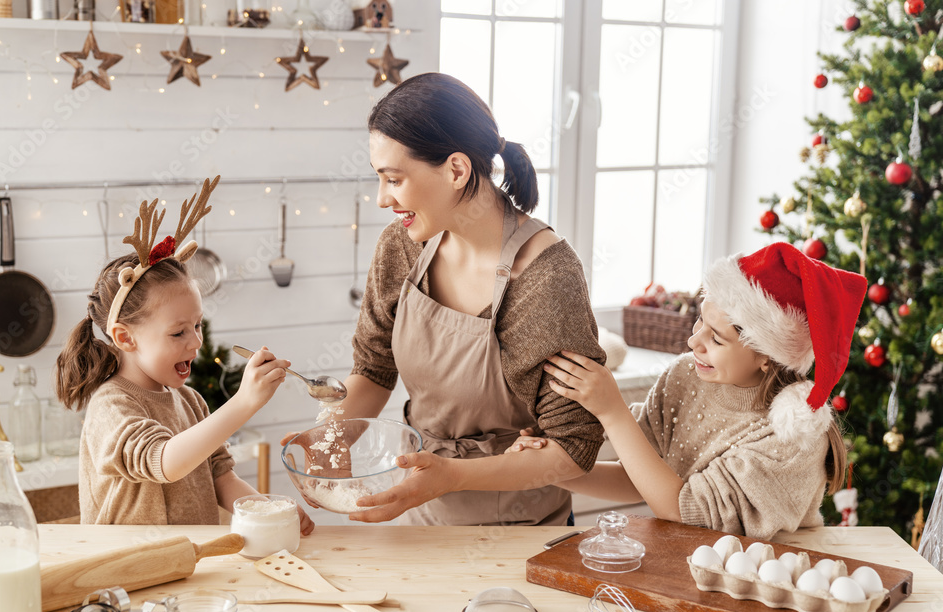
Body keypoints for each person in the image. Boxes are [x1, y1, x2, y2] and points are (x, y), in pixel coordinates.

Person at [319, 72, 606, 526]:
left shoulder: (545, 277)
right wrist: (325, 443)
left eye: (394, 179)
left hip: (522, 532)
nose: (381, 199)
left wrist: (451, 475)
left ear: (456, 169)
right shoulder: (403, 246)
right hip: (424, 511)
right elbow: (374, 370)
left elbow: (573, 451)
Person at [508, 243, 867, 539]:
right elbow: (643, 480)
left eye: (717, 337)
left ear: (768, 358)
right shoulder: (686, 376)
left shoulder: (790, 439)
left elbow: (683, 510)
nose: (694, 341)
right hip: (696, 567)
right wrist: (555, 468)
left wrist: (612, 411)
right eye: (700, 320)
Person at [55, 178, 314, 534]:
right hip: (128, 573)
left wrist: (268, 512)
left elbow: (222, 478)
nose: (196, 343)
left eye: (198, 325)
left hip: (190, 566)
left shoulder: (190, 402)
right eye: (178, 332)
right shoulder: (110, 406)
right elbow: (164, 462)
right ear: (124, 337)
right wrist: (244, 403)